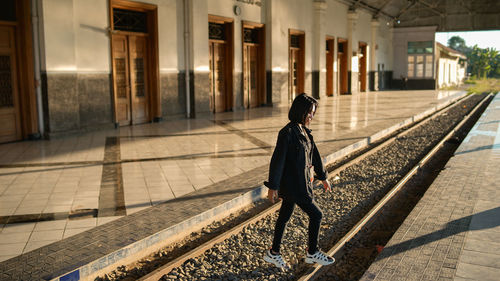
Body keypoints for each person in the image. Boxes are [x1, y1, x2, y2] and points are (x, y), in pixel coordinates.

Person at [263, 93, 335, 270]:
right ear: (300, 111)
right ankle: (312, 252)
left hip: (300, 184)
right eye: (309, 112)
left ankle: (273, 253)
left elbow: (315, 157)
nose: (311, 116)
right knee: (317, 215)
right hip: (296, 187)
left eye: (313, 113)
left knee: (284, 217)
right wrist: (273, 186)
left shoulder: (305, 132)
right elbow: (277, 161)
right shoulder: (287, 133)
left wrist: (323, 176)